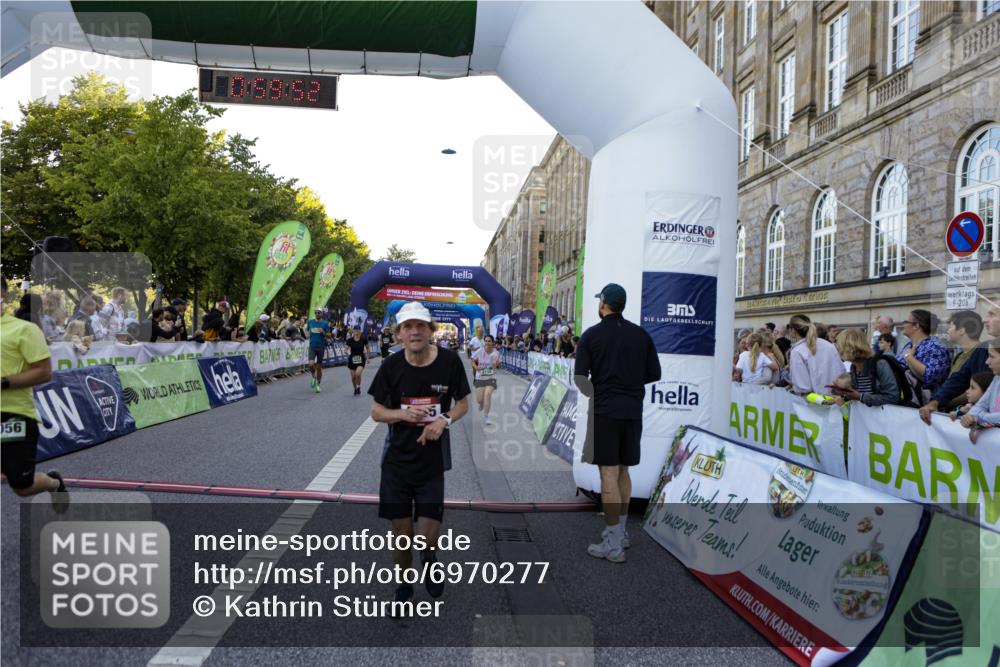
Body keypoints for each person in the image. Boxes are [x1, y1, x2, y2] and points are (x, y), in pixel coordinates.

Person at [368, 301, 470, 603]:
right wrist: (402, 415)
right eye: (408, 327)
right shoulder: (391, 366)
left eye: (420, 326)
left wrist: (444, 420)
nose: (414, 332)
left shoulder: (450, 362)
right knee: (401, 536)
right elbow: (376, 412)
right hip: (397, 462)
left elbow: (463, 403)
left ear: (431, 331)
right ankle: (403, 586)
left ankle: (428, 558)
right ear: (399, 334)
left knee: (425, 537)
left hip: (431, 462)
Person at [574, 283, 661, 563]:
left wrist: (599, 391)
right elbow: (654, 373)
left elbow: (580, 378)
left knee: (608, 475)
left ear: (604, 304)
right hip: (633, 411)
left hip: (605, 412)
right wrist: (629, 384)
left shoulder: (591, 336)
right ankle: (620, 533)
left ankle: (613, 545)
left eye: (600, 300)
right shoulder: (641, 335)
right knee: (623, 472)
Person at [0, 277, 68, 512]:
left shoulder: (24, 329)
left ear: (3, 296)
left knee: (22, 486)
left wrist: (3, 383)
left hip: (13, 416)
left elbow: (43, 373)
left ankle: (54, 483)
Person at [919, 306, 1000, 424]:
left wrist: (977, 417)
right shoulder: (983, 350)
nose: (985, 320)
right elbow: (959, 378)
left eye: (992, 314)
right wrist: (936, 401)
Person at [830, 328, 904, 407]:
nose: (837, 348)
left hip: (884, 418)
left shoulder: (879, 364)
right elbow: (860, 395)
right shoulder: (854, 367)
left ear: (849, 347)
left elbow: (892, 398)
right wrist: (843, 393)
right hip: (868, 417)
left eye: (839, 345)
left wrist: (860, 397)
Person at [897, 309, 950, 399]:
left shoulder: (936, 347)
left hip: (924, 405)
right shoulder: (908, 346)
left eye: (906, 322)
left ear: (916, 326)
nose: (903, 324)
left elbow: (930, 377)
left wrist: (909, 358)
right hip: (904, 400)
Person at [786, 314, 844, 395]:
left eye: (789, 327)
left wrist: (794, 385)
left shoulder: (797, 351)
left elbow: (803, 387)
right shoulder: (828, 345)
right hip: (835, 400)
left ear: (793, 330)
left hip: (810, 403)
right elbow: (841, 372)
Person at [960, 339, 1000, 443]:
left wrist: (977, 418)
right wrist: (970, 418)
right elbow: (981, 405)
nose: (987, 362)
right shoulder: (997, 378)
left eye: (992, 356)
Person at [471, 334, 501, 425]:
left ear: (493, 343)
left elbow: (498, 366)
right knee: (479, 400)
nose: (487, 343)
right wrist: (476, 367)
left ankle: (486, 417)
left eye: (489, 341)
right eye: (486, 341)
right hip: (480, 377)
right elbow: (472, 360)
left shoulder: (496, 353)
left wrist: (497, 364)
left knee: (487, 394)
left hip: (491, 377)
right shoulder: (480, 351)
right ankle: (481, 403)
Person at [307, 308, 332, 393]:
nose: (317, 314)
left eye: (319, 313)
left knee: (319, 367)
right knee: (310, 364)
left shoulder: (325, 323)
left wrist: (323, 332)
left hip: (321, 346)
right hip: (312, 346)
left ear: (321, 314)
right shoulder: (310, 322)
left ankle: (318, 384)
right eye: (316, 313)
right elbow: (307, 331)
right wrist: (307, 335)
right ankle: (314, 377)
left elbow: (329, 335)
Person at [346, 327, 368, 396]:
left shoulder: (363, 340)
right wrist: (346, 351)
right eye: (355, 330)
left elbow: (368, 348)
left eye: (358, 330)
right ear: (353, 331)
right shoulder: (350, 340)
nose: (356, 331)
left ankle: (358, 386)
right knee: (353, 377)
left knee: (357, 374)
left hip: (361, 359)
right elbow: (346, 348)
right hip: (352, 360)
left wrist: (368, 357)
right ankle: (355, 388)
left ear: (360, 331)